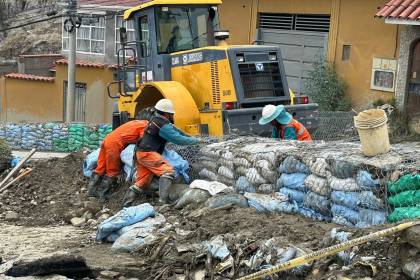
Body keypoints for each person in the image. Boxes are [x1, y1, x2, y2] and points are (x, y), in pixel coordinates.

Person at [123, 99, 200, 207]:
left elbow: (176, 130)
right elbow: (177, 139)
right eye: (171, 114)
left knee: (142, 182)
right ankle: (163, 202)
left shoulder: (156, 119)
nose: (173, 116)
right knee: (168, 171)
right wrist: (196, 141)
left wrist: (189, 136)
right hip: (148, 153)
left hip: (141, 153)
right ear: (167, 114)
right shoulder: (162, 125)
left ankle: (126, 204)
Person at [88, 120, 149, 201]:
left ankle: (91, 192)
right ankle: (104, 196)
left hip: (107, 139)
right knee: (112, 171)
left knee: (100, 168)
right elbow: (143, 142)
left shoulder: (138, 122)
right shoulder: (146, 126)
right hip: (115, 144)